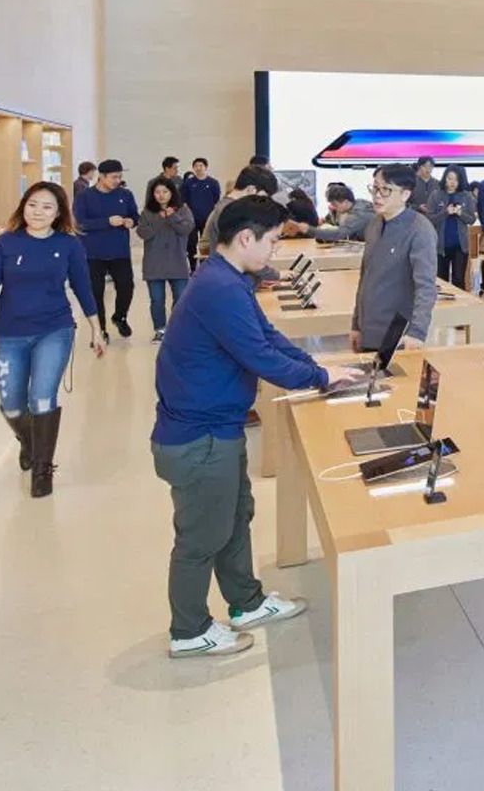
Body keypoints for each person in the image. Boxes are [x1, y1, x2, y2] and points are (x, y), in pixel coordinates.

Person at [151, 195, 366, 658]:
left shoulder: (228, 278)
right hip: (199, 438)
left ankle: (246, 602)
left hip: (217, 429)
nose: (274, 250)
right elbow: (259, 356)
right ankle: (188, 631)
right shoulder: (220, 288)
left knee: (234, 518)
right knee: (201, 537)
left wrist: (317, 367)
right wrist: (319, 377)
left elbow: (266, 336)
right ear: (245, 238)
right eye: (271, 241)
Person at [0, 181, 106, 498]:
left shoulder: (69, 245)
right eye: (33, 204)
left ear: (58, 213)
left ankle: (42, 470)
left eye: (47, 207)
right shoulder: (6, 243)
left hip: (54, 330)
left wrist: (96, 327)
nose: (38, 212)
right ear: (23, 206)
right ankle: (30, 441)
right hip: (9, 334)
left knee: (42, 398)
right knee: (12, 406)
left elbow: (83, 287)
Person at [351, 164, 438, 353]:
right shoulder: (374, 224)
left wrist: (417, 332)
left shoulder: (420, 229)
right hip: (368, 328)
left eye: (386, 190)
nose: (377, 195)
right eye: (375, 188)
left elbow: (426, 287)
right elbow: (365, 277)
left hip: (398, 334)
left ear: (405, 194)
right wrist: (356, 324)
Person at [75, 159, 140, 338]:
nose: (118, 180)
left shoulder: (125, 194)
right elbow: (80, 223)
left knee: (127, 287)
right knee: (96, 293)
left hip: (120, 252)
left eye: (120, 177)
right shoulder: (84, 197)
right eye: (114, 177)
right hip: (93, 254)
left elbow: (135, 216)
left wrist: (132, 221)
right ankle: (100, 330)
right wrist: (107, 222)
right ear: (101, 177)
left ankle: (120, 317)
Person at [137, 176, 195, 341]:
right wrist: (160, 218)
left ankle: (176, 328)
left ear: (172, 193)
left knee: (181, 298)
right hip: (154, 263)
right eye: (157, 192)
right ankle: (160, 329)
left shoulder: (183, 209)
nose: (161, 195)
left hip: (177, 261)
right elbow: (143, 233)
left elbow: (186, 229)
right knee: (157, 300)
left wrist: (173, 217)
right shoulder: (147, 212)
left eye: (165, 191)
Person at [199, 165, 280, 254]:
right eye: (263, 198)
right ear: (251, 190)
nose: (263, 203)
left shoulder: (229, 207)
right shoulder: (231, 211)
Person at [432, 165, 475, 288]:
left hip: (460, 246)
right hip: (440, 246)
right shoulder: (436, 195)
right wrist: (445, 212)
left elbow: (471, 219)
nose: (452, 182)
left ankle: (461, 301)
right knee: (441, 283)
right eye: (449, 178)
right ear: (444, 178)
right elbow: (430, 219)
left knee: (459, 281)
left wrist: (460, 213)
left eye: (456, 180)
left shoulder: (466, 196)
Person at [181, 157, 220, 270]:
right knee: (191, 243)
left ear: (206, 167)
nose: (198, 168)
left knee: (206, 244)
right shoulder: (188, 183)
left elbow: (216, 199)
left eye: (201, 166)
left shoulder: (213, 183)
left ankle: (205, 267)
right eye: (196, 166)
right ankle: (193, 267)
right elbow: (183, 200)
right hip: (192, 219)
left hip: (207, 219)